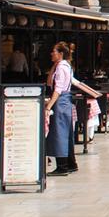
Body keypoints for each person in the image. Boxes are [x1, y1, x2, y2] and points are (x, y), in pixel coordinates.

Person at [45, 42, 76, 175]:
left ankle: (62, 166)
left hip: (60, 100)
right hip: (65, 101)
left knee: (59, 133)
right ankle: (71, 163)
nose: (52, 54)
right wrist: (54, 64)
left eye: (54, 51)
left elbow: (57, 89)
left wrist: (49, 106)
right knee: (66, 133)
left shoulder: (62, 68)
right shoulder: (65, 66)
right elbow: (49, 82)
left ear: (61, 54)